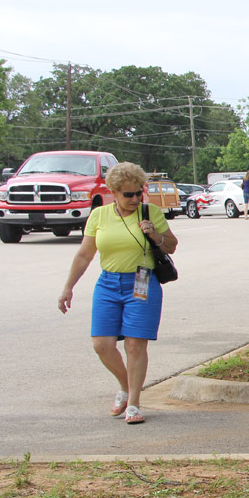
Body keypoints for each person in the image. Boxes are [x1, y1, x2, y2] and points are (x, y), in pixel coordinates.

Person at [58, 162, 178, 425]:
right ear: (113, 191)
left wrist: (156, 235)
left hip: (142, 280)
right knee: (102, 344)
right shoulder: (99, 216)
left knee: (135, 344)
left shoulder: (150, 212)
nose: (135, 199)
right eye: (128, 194)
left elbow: (172, 245)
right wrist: (68, 287)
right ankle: (126, 387)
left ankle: (134, 403)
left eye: (139, 193)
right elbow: (84, 254)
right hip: (108, 283)